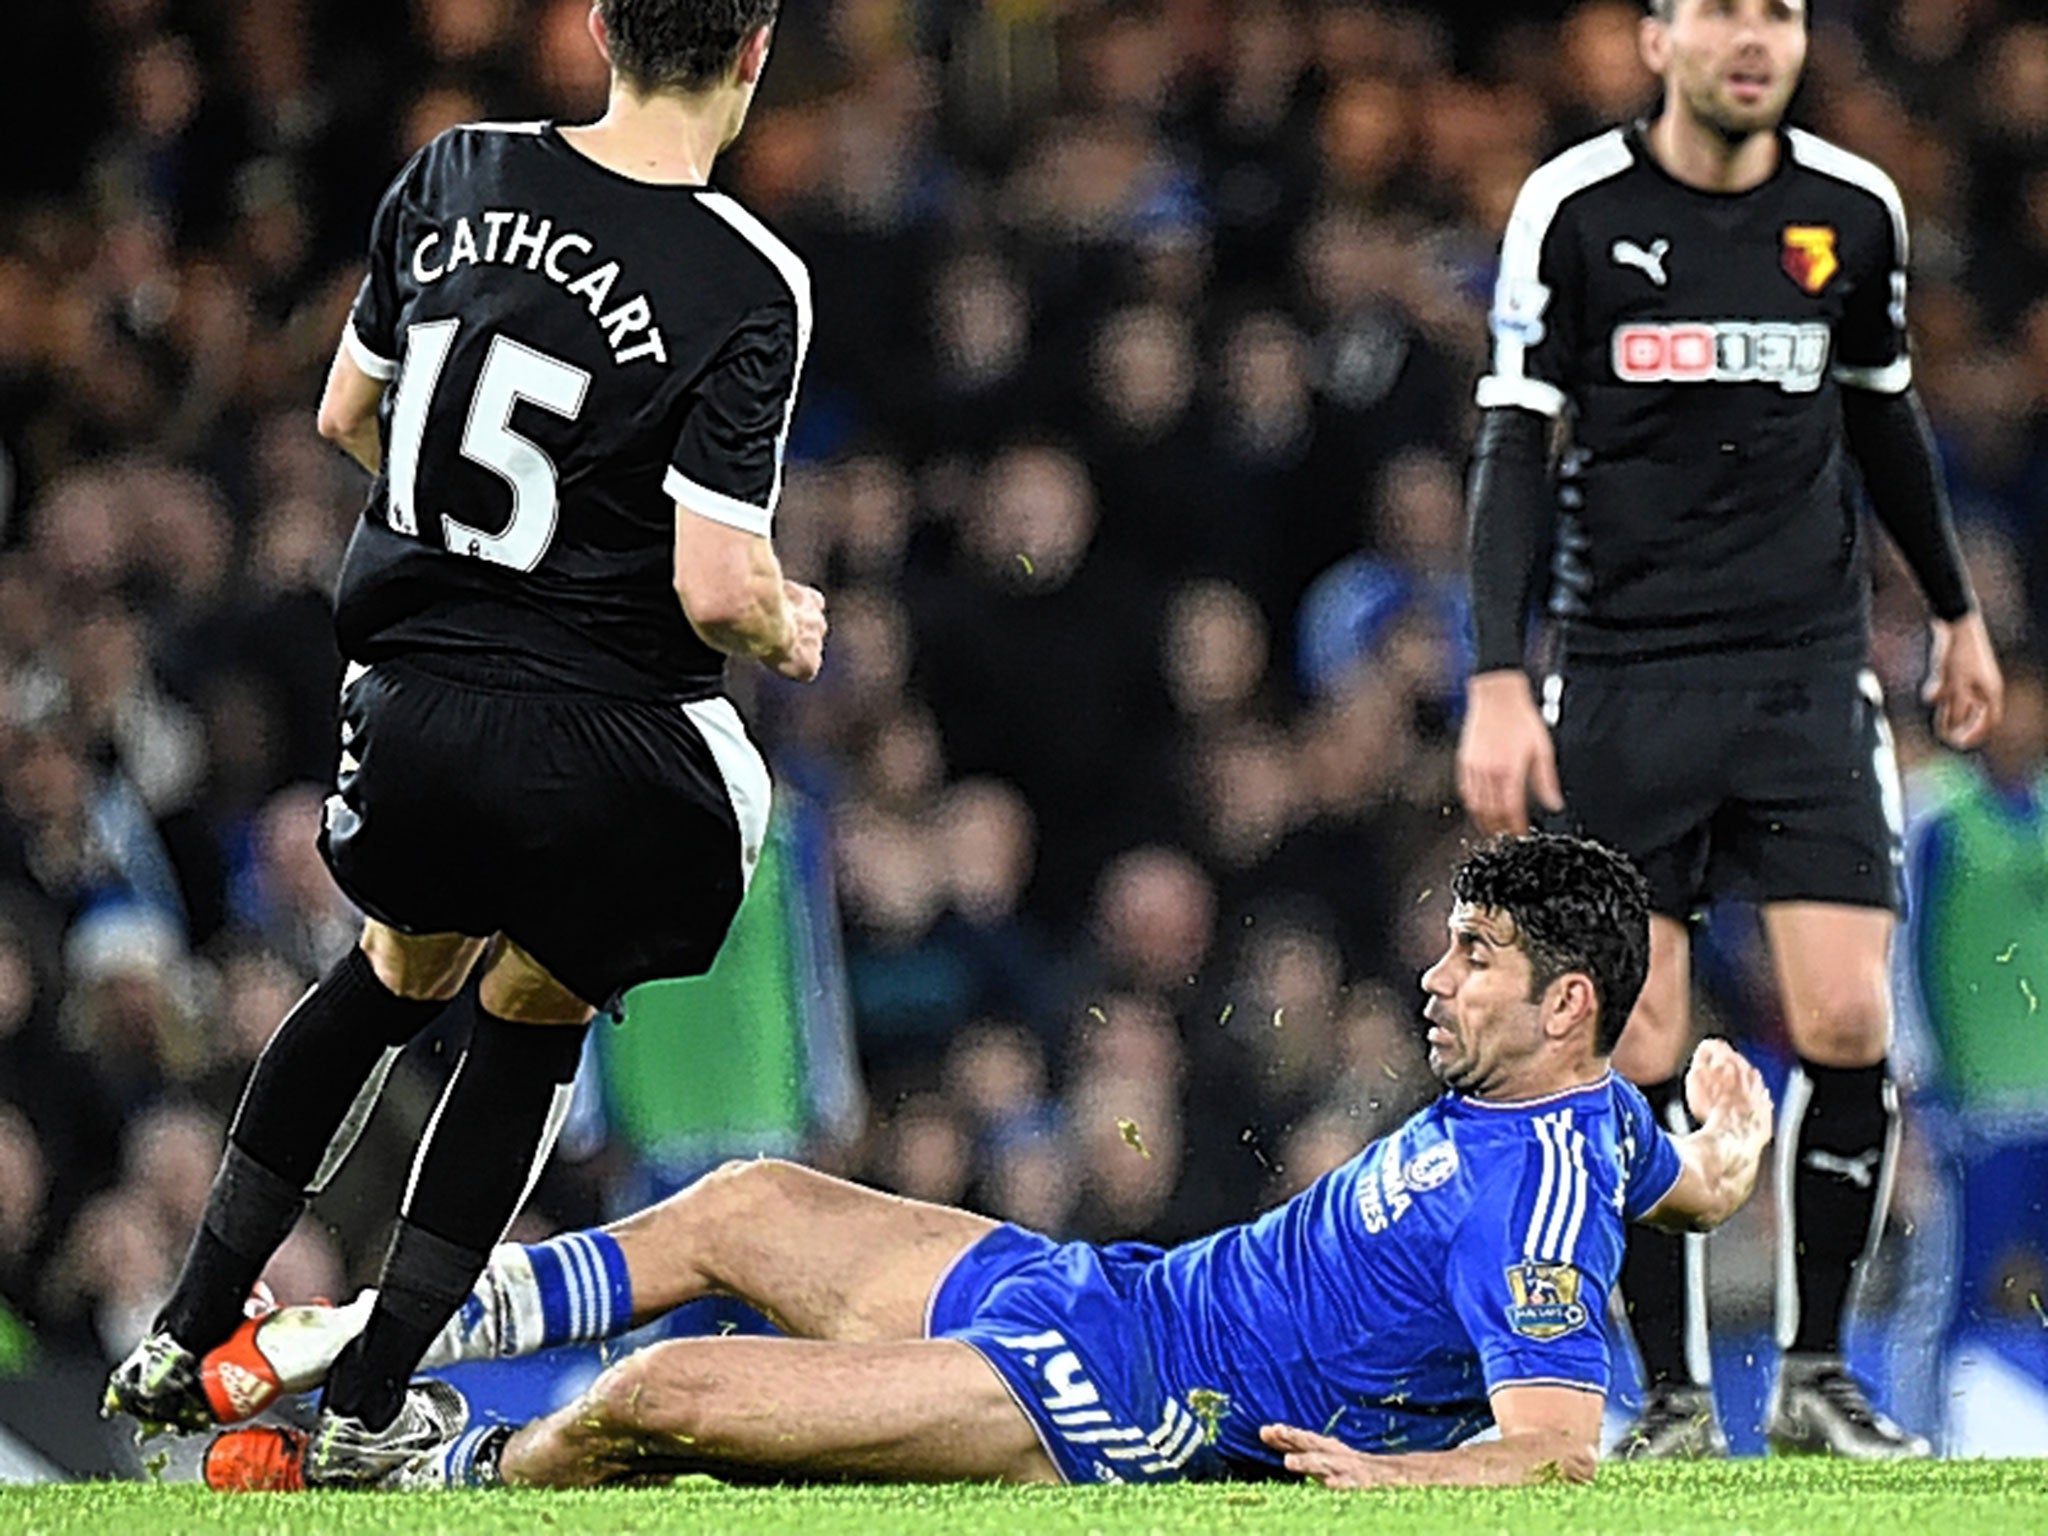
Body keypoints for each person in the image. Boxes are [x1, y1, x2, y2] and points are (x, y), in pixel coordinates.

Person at [103, 0, 826, 1486]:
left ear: (602, 28)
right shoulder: (749, 278)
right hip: (601, 733)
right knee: (543, 1000)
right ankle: (370, 1406)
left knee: (393, 970)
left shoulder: (456, 171)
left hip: (413, 691)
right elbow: (712, 581)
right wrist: (787, 626)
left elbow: (346, 410)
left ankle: (186, 1327)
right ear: (754, 52)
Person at [202, 834, 1774, 1493]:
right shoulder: (1581, 1126)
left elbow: (1559, 1447)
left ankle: (434, 1470)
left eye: (1477, 958)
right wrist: (1725, 1146)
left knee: (665, 1396)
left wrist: (1387, 1480)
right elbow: (1667, 1184)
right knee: (744, 1206)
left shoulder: (1540, 1188)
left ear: (1570, 1003)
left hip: (1139, 1409)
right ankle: (375, 1345)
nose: (1436, 979)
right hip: (1119, 1293)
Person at [1455, 0, 2001, 1459]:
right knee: (1637, 1035)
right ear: (1658, 39)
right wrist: (1498, 676)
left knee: (1846, 1020)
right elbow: (1515, 441)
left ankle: (1819, 1374)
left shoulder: (1852, 210)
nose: (1753, 36)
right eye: (1721, 11)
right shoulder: (1572, 211)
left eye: (1779, 10)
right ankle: (1677, 1396)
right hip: (1626, 678)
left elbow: (1887, 420)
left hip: (1808, 678)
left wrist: (1951, 609)